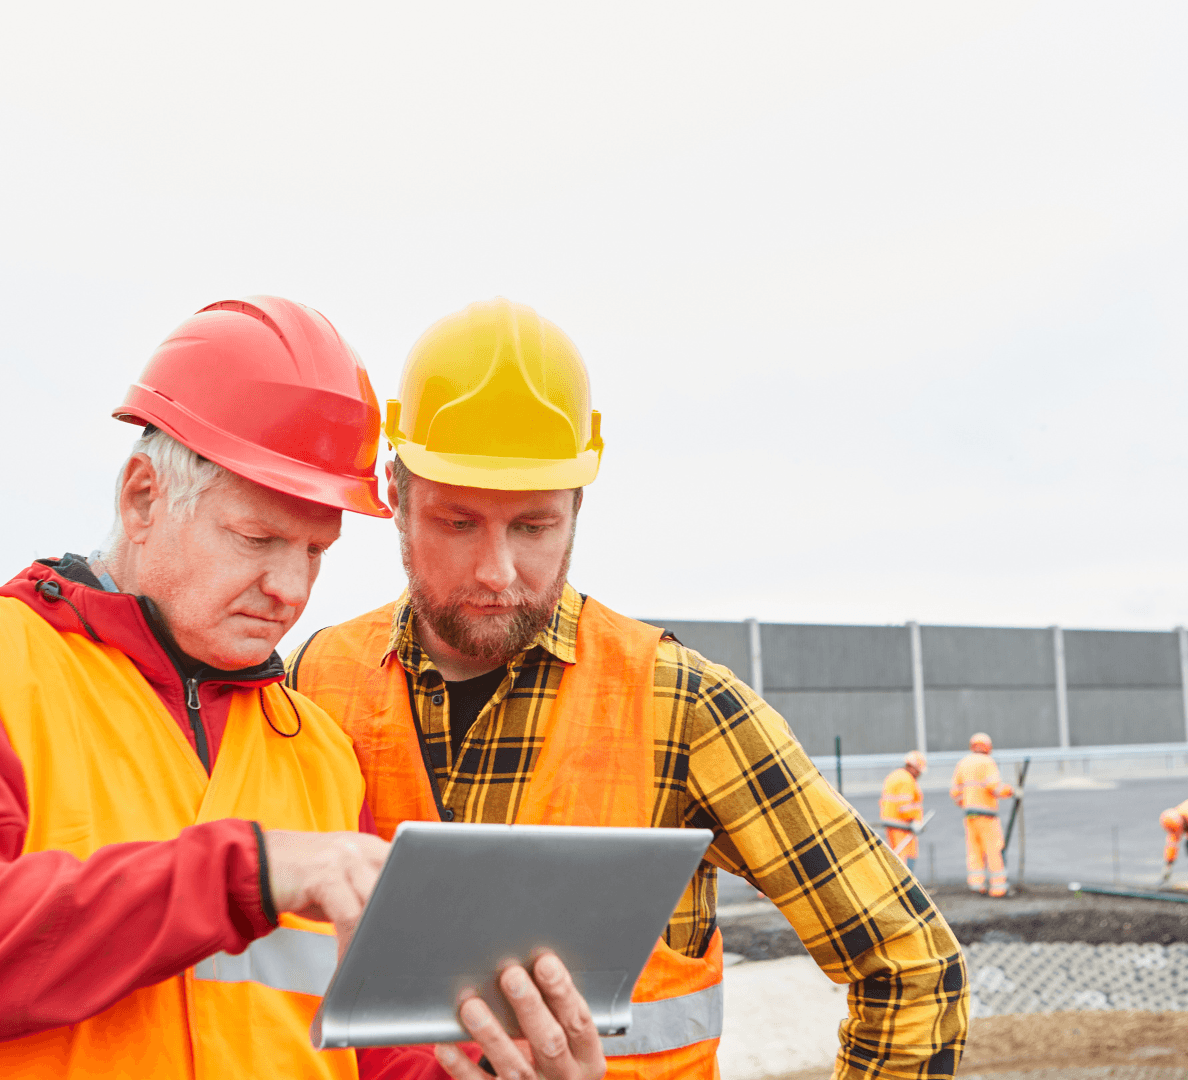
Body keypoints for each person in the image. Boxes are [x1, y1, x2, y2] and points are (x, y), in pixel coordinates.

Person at [0, 297, 605, 1080]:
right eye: (257, 538)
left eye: (316, 550)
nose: (289, 588)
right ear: (142, 496)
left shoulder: (318, 754)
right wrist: (246, 873)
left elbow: (371, 1053)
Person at [289, 298, 968, 1079]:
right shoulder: (317, 679)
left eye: (534, 528)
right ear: (396, 499)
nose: (497, 572)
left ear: (578, 508)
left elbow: (913, 968)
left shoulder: (680, 704)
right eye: (457, 522)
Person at [948, 732, 1017, 897]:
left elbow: (955, 792)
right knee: (993, 849)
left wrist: (966, 803)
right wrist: (1011, 791)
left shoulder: (963, 763)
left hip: (970, 814)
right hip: (987, 814)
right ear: (988, 747)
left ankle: (976, 885)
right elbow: (994, 786)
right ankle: (998, 888)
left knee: (974, 849)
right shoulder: (987, 762)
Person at [880, 751, 929, 871]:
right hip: (903, 825)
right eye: (918, 771)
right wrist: (915, 821)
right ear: (912, 767)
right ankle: (905, 887)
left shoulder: (895, 775)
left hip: (893, 823)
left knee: (897, 856)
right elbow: (905, 807)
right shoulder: (906, 780)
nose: (919, 774)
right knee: (905, 858)